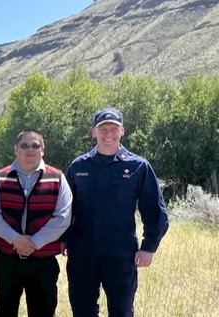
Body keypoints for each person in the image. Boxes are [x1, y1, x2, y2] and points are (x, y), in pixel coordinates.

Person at [64, 108, 170, 317]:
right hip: (82, 253)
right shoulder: (78, 166)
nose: (108, 134)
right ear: (93, 132)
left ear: (123, 131)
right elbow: (66, 209)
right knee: (82, 310)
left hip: (121, 254)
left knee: (121, 311)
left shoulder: (138, 166)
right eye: (103, 129)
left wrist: (149, 247)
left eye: (114, 128)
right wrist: (64, 238)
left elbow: (155, 211)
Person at [0, 129, 72, 317]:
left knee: (43, 312)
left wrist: (34, 243)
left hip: (43, 261)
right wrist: (15, 239)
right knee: (4, 312)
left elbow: (63, 217)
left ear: (43, 150)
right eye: (25, 145)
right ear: (16, 149)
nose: (30, 150)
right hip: (7, 259)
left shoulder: (57, 178)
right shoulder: (0, 177)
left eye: (35, 145)